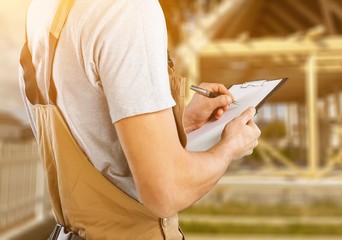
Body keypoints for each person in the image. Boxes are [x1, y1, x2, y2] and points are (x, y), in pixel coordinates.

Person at [19, 0, 261, 239]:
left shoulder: (41, 10)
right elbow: (167, 190)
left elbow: (86, 128)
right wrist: (230, 146)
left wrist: (179, 121)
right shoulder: (128, 9)